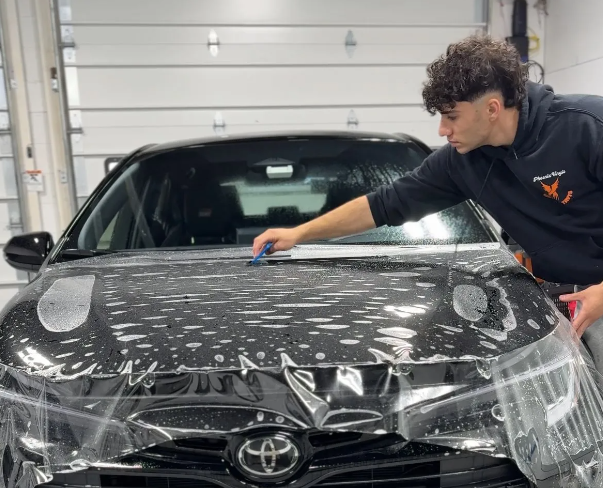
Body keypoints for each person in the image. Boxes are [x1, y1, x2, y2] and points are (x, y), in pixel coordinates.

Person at [252, 34, 603, 340]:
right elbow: (386, 204)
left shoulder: (587, 128)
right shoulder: (461, 161)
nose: (442, 131)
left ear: (492, 109)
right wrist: (298, 233)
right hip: (562, 307)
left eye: (452, 116)